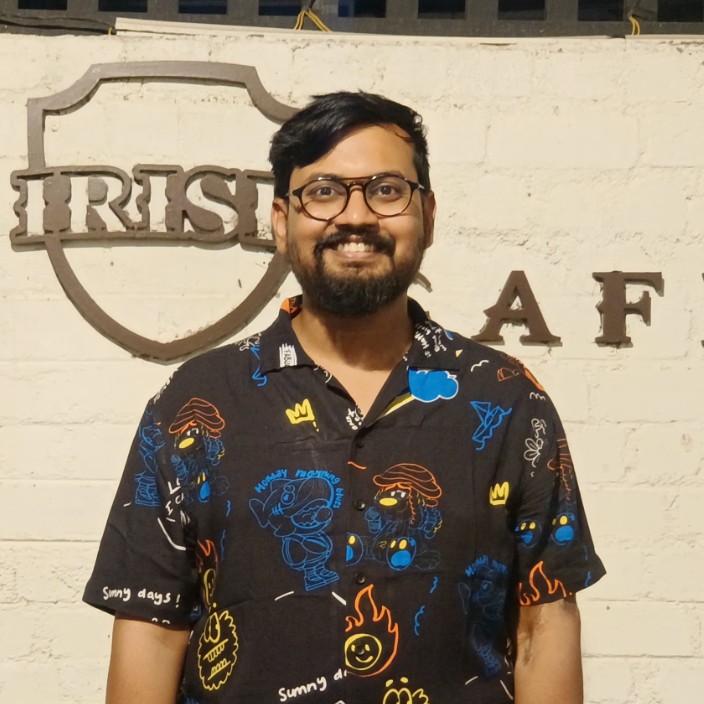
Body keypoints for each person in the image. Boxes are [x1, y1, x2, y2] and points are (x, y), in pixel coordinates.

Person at [84, 91, 605, 704]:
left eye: (386, 190)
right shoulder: (195, 402)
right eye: (324, 191)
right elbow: (152, 628)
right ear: (283, 221)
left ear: (427, 214)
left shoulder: (508, 399)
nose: (355, 216)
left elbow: (544, 625)